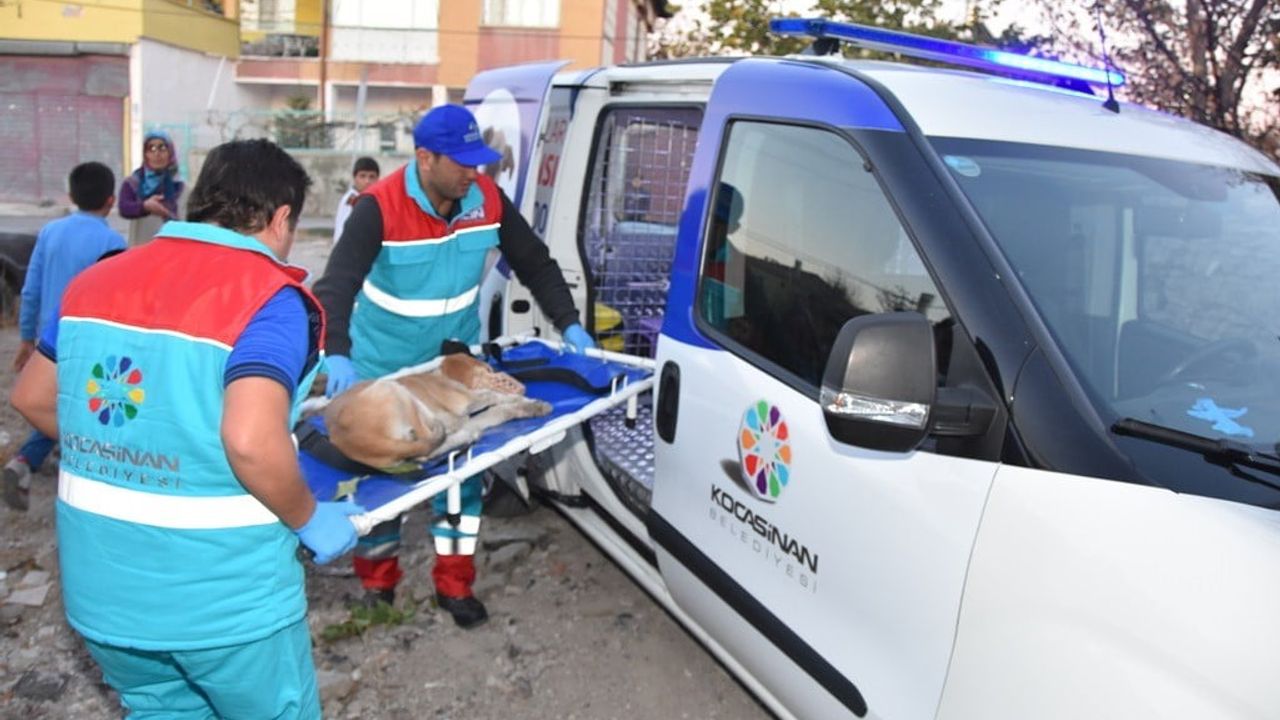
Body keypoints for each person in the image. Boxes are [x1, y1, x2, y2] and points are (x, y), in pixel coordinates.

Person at [10, 138, 362, 719]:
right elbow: (250, 440)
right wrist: (307, 516)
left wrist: (135, 452)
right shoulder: (267, 298)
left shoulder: (99, 279)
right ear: (279, 219)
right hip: (222, 604)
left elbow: (32, 396)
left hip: (105, 596)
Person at [313, 103, 595, 627]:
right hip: (384, 369)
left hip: (451, 366)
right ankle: (378, 588)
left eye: (478, 161)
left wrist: (569, 322)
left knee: (461, 482)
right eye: (463, 163)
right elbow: (337, 284)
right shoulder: (378, 207)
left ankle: (454, 585)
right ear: (425, 158)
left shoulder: (486, 200)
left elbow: (535, 262)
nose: (475, 172)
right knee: (381, 485)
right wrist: (339, 353)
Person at [3, 161, 125, 512]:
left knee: (55, 400)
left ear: (70, 195)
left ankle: (35, 459)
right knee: (77, 404)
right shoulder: (111, 241)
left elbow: (31, 288)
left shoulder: (50, 232)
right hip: (86, 339)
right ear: (111, 200)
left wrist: (27, 338)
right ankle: (31, 460)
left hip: (48, 336)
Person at [118, 130, 184, 246]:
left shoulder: (181, 187)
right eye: (151, 149)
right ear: (145, 154)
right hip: (141, 248)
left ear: (170, 152)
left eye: (162, 148)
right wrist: (144, 207)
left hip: (173, 250)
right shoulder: (133, 183)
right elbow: (124, 208)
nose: (157, 154)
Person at [333, 156, 380, 244]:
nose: (367, 181)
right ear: (355, 178)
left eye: (372, 177)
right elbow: (341, 230)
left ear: (378, 179)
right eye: (362, 176)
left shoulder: (372, 199)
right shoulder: (352, 200)